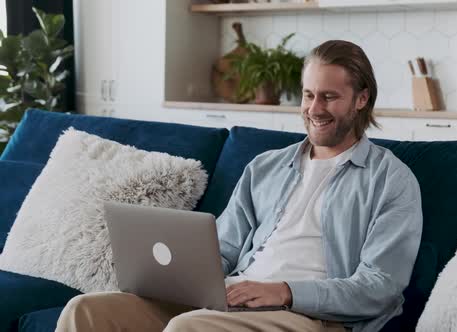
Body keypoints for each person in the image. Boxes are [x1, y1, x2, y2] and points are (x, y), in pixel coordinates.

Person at [56, 40, 423, 332]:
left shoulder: (391, 180)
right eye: (308, 94)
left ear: (362, 99)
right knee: (86, 310)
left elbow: (380, 287)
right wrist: (175, 278)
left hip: (311, 316)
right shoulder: (265, 167)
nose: (314, 108)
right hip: (233, 298)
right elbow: (224, 248)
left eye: (329, 96)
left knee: (189, 327)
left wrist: (283, 291)